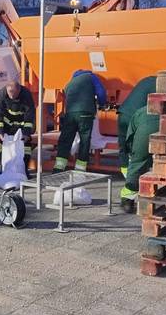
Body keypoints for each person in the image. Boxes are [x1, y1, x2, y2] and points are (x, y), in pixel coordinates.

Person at [117, 76, 158, 211]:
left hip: (124, 113)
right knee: (139, 156)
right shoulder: (161, 86)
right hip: (142, 119)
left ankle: (128, 179)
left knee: (128, 150)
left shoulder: (147, 80)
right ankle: (131, 187)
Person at [53, 70, 107, 172]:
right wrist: (102, 103)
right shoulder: (91, 76)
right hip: (85, 113)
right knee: (84, 140)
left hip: (70, 114)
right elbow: (101, 91)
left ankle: (58, 168)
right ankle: (80, 169)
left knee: (66, 139)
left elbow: (66, 94)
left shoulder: (70, 83)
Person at [0, 80, 36, 172]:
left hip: (21, 124)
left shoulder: (26, 95)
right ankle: (1, 166)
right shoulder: (2, 94)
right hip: (7, 123)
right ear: (6, 89)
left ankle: (24, 170)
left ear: (19, 90)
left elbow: (29, 115)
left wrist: (26, 133)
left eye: (14, 93)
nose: (12, 95)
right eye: (10, 92)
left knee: (26, 146)